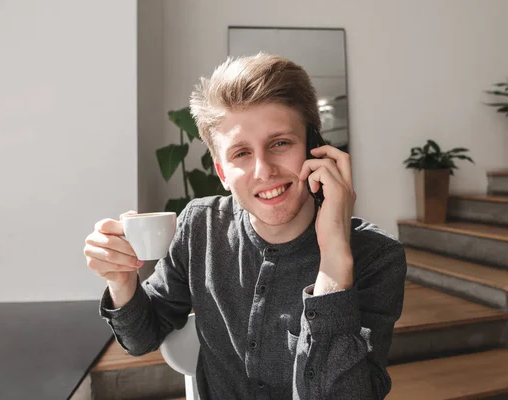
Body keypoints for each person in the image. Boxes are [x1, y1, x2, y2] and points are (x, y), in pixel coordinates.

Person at [84, 53, 407, 399]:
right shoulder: (200, 227)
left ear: (316, 149)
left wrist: (334, 262)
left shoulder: (376, 256)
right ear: (222, 173)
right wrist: (121, 280)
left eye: (280, 143)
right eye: (241, 154)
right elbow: (141, 338)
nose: (263, 171)